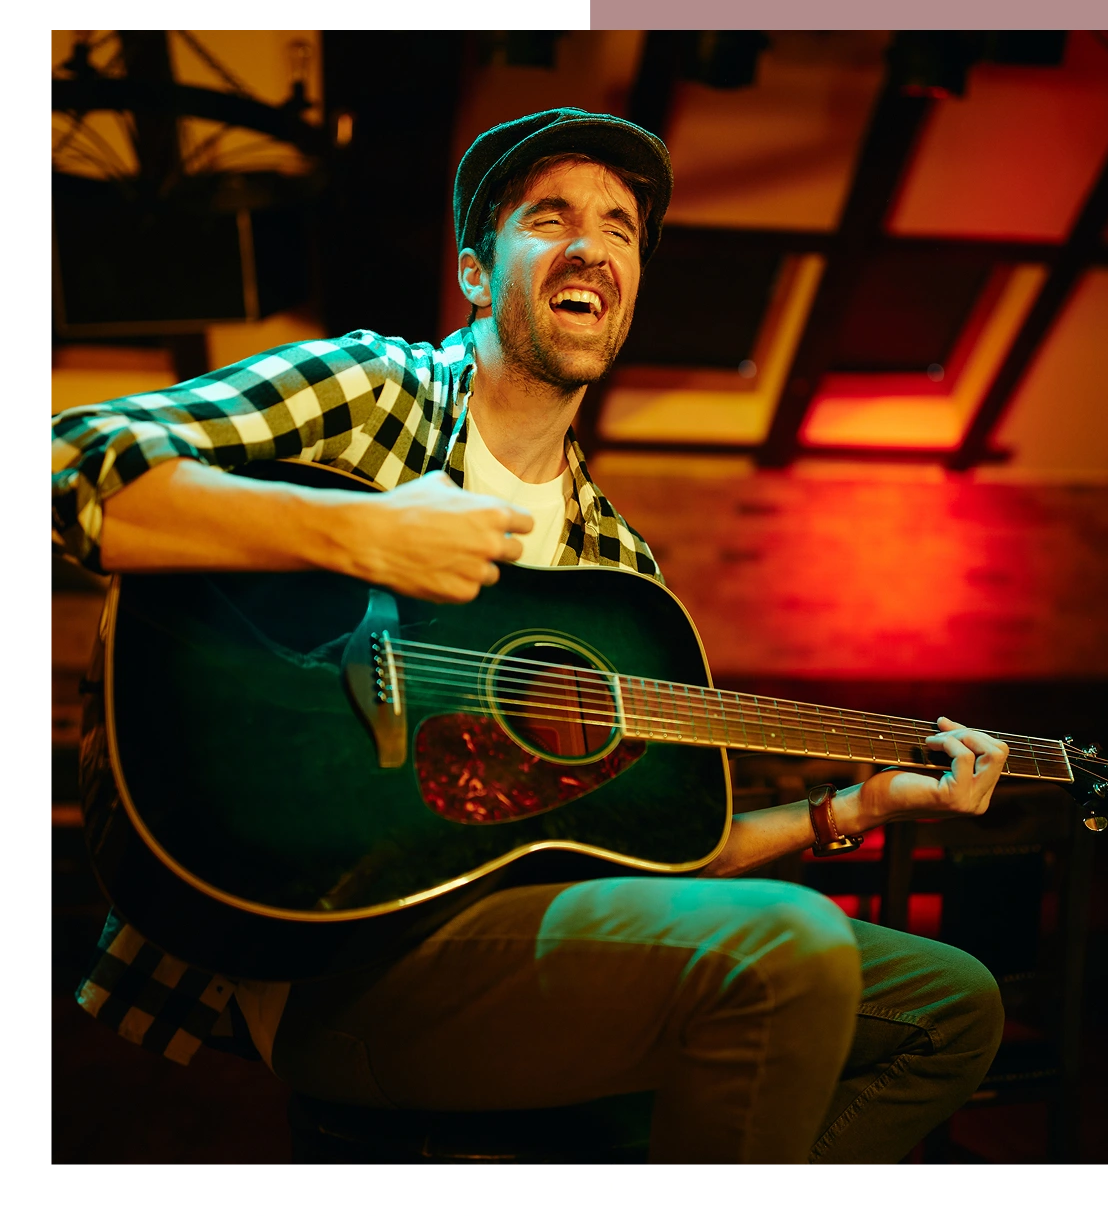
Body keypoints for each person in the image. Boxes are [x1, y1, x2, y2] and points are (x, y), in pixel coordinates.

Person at [50, 107, 1008, 1166]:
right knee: (789, 945)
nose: (591, 244)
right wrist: (365, 530)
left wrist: (856, 805)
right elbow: (69, 462)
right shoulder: (378, 395)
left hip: (544, 949)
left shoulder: (621, 576)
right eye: (548, 217)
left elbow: (661, 859)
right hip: (342, 963)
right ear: (473, 269)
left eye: (621, 227)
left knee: (955, 1002)